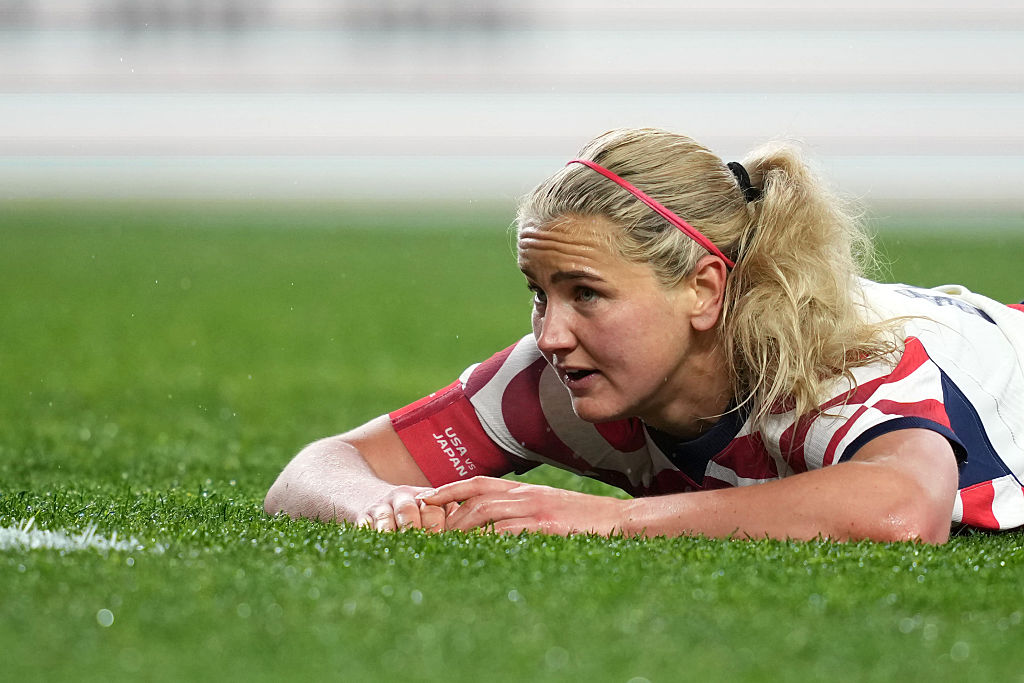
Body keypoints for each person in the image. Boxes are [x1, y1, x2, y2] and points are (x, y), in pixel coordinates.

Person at [264, 127, 1024, 544]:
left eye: (587, 294)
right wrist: (380, 507)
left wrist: (610, 517)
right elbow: (315, 468)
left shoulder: (835, 349)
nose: (551, 333)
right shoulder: (561, 378)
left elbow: (901, 510)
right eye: (540, 294)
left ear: (703, 289)